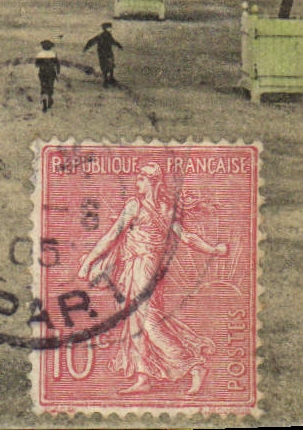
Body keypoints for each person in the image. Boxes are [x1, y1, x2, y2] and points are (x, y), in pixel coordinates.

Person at [76, 162, 227, 394]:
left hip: (144, 267)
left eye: (141, 179)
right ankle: (143, 376)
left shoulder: (141, 207)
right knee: (136, 323)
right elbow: (184, 237)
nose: (137, 184)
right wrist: (213, 249)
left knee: (146, 322)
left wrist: (213, 250)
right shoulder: (161, 208)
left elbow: (112, 237)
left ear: (153, 182)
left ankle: (193, 365)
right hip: (137, 268)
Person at [84, 22, 124, 87]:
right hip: (103, 53)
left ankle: (110, 78)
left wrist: (119, 45)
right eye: (108, 28)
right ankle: (107, 78)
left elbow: (113, 42)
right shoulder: (101, 36)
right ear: (104, 29)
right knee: (106, 65)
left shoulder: (107, 35)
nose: (109, 29)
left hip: (107, 52)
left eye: (110, 28)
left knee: (109, 64)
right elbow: (91, 41)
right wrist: (86, 48)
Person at [34, 39, 59, 112]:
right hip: (51, 73)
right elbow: (57, 64)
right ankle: (50, 98)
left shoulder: (40, 54)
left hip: (43, 73)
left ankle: (44, 104)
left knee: (43, 88)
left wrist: (42, 64)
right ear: (51, 47)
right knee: (50, 87)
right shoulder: (53, 54)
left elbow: (36, 65)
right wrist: (58, 72)